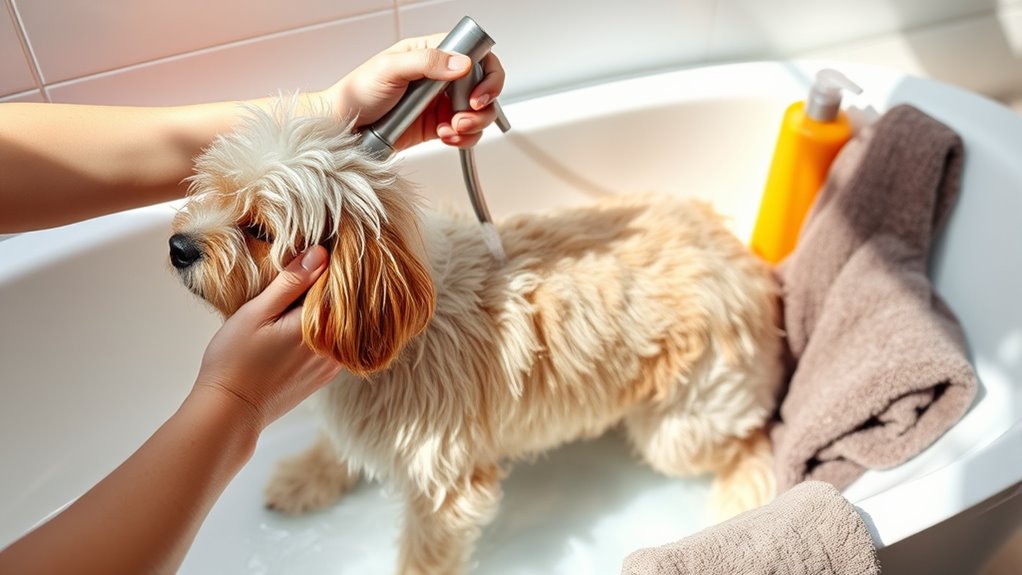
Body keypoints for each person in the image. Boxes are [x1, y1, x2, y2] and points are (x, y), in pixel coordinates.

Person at [0, 34, 505, 574]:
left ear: (350, 270)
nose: (188, 235)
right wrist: (236, 399)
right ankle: (335, 461)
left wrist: (331, 110)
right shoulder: (356, 312)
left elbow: (456, 494)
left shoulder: (408, 354)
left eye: (258, 230)